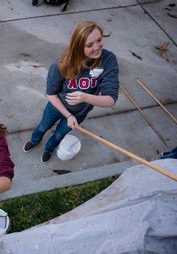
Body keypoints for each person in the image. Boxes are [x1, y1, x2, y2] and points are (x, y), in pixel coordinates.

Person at [24, 21, 119, 163]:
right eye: (89, 45)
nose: (97, 47)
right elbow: (51, 94)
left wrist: (85, 97)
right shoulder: (62, 64)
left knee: (59, 135)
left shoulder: (108, 60)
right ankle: (34, 140)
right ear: (78, 47)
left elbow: (111, 100)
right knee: (43, 126)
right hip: (56, 107)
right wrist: (68, 115)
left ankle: (49, 149)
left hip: (79, 114)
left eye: (99, 40)